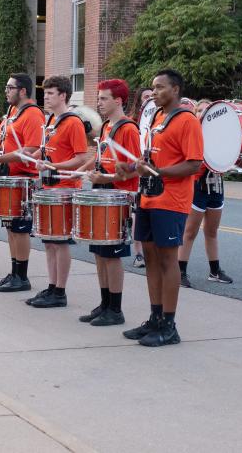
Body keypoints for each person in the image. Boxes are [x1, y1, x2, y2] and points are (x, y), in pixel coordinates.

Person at [121, 69, 203, 347]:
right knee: (152, 259)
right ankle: (155, 317)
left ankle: (169, 325)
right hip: (149, 198)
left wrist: (158, 173)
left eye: (160, 88)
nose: (154, 92)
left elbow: (194, 164)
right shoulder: (156, 118)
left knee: (169, 260)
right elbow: (150, 160)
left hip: (171, 200)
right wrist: (131, 167)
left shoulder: (187, 121)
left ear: (175, 90)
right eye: (153, 88)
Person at [77, 79, 140, 325]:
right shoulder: (106, 127)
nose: (99, 103)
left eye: (104, 99)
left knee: (112, 254)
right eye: (99, 98)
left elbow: (136, 169)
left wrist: (107, 176)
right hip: (101, 191)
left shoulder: (128, 129)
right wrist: (83, 170)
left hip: (118, 194)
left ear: (118, 100)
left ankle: (116, 308)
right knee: (99, 252)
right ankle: (104, 303)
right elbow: (100, 157)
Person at [26, 76, 89, 308]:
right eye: (46, 93)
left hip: (65, 188)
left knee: (60, 241)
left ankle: (60, 291)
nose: (46, 97)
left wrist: (54, 166)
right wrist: (35, 157)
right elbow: (48, 151)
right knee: (49, 241)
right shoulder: (51, 120)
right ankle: (52, 286)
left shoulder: (73, 122)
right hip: (50, 186)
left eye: (51, 93)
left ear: (63, 95)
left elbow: (82, 158)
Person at [0, 73, 44, 292]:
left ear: (22, 91)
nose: (6, 91)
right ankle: (14, 272)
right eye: (6, 87)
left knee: (20, 229)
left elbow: (29, 150)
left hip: (23, 179)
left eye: (10, 87)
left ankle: (22, 276)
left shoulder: (32, 114)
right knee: (10, 227)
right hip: (8, 176)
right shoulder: (12, 112)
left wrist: (1, 158)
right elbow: (4, 142)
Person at [177, 99, 233, 287]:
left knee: (212, 230)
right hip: (197, 185)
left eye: (207, 109)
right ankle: (180, 271)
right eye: (199, 110)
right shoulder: (192, 132)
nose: (203, 113)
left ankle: (215, 270)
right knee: (190, 231)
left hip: (215, 184)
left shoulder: (220, 136)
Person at [127, 87, 152, 269]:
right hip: (137, 172)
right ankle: (138, 253)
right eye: (146, 96)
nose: (150, 99)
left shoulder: (160, 120)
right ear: (139, 100)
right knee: (137, 215)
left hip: (153, 171)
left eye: (152, 96)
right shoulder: (131, 123)